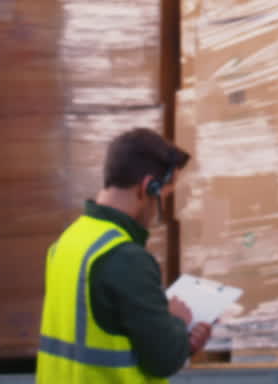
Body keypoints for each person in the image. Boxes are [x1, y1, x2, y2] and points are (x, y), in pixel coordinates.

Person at [36, 127, 212, 382]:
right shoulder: (127, 258)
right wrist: (175, 320)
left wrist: (181, 342)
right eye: (165, 196)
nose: (160, 209)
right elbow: (163, 359)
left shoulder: (67, 242)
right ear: (147, 187)